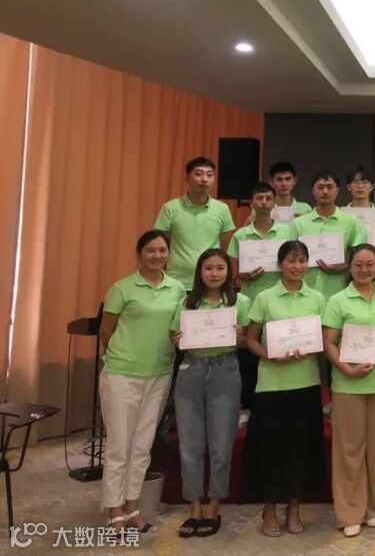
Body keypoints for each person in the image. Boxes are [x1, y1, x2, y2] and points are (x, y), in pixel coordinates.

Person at [98, 230, 186, 534]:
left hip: (160, 374)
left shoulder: (177, 289)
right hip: (122, 374)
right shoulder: (122, 288)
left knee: (142, 445)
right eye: (150, 250)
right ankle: (113, 508)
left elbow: (177, 330)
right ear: (139, 255)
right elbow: (106, 331)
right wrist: (120, 357)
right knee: (119, 445)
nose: (157, 256)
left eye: (162, 250)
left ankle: (132, 505)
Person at [242, 240, 328, 538]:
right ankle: (269, 508)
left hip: (306, 382)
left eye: (302, 260)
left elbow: (323, 339)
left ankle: (294, 507)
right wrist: (269, 355)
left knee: (301, 449)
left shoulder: (317, 298)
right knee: (271, 449)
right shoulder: (265, 297)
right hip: (271, 385)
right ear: (280, 264)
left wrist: (312, 347)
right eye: (291, 260)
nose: (297, 266)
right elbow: (250, 339)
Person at [322, 244, 375, 536]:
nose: (364, 270)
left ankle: (370, 508)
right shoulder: (338, 300)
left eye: (370, 264)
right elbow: (329, 342)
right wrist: (346, 369)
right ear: (350, 267)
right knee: (349, 449)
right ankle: (349, 513)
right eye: (358, 264)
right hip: (348, 384)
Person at [171, 248, 249, 538]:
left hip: (225, 370)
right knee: (189, 445)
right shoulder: (186, 303)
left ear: (228, 272)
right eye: (208, 268)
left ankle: (214, 505)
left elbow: (246, 342)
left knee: (221, 444)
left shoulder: (241, 302)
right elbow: (172, 336)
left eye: (220, 268)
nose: (214, 273)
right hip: (191, 370)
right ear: (199, 272)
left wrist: (241, 337)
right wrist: (177, 338)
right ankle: (194, 506)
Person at [228, 182, 296, 418]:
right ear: (252, 202)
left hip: (281, 300)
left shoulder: (288, 231)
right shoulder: (240, 235)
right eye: (259, 198)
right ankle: (248, 406)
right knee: (250, 353)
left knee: (280, 350)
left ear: (274, 202)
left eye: (268, 198)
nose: (264, 202)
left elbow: (294, 263)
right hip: (250, 300)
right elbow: (235, 273)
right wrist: (243, 276)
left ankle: (277, 405)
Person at [154, 156, 235, 289]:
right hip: (176, 282)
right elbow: (161, 247)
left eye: (209, 175)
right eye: (198, 174)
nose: (204, 179)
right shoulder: (170, 208)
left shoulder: (222, 209)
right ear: (187, 178)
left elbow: (224, 249)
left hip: (210, 282)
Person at [291, 170, 365, 302]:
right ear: (313, 190)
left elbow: (359, 257)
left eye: (330, 187)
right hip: (305, 295)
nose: (325, 191)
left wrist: (343, 267)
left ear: (337, 190)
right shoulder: (298, 224)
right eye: (320, 187)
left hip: (341, 294)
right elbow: (290, 259)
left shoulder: (351, 222)